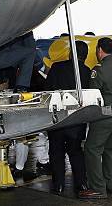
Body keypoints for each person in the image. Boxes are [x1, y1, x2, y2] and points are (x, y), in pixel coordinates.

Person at [79, 38, 112, 199]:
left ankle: (98, 188)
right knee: (111, 149)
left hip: (105, 115)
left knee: (92, 149)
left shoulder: (99, 69)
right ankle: (110, 185)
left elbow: (93, 94)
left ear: (100, 50)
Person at [45, 40, 91, 194]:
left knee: (56, 152)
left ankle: (58, 185)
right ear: (85, 56)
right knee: (76, 152)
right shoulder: (87, 71)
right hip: (77, 119)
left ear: (71, 53)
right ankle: (81, 184)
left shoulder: (57, 67)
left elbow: (47, 90)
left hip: (58, 117)